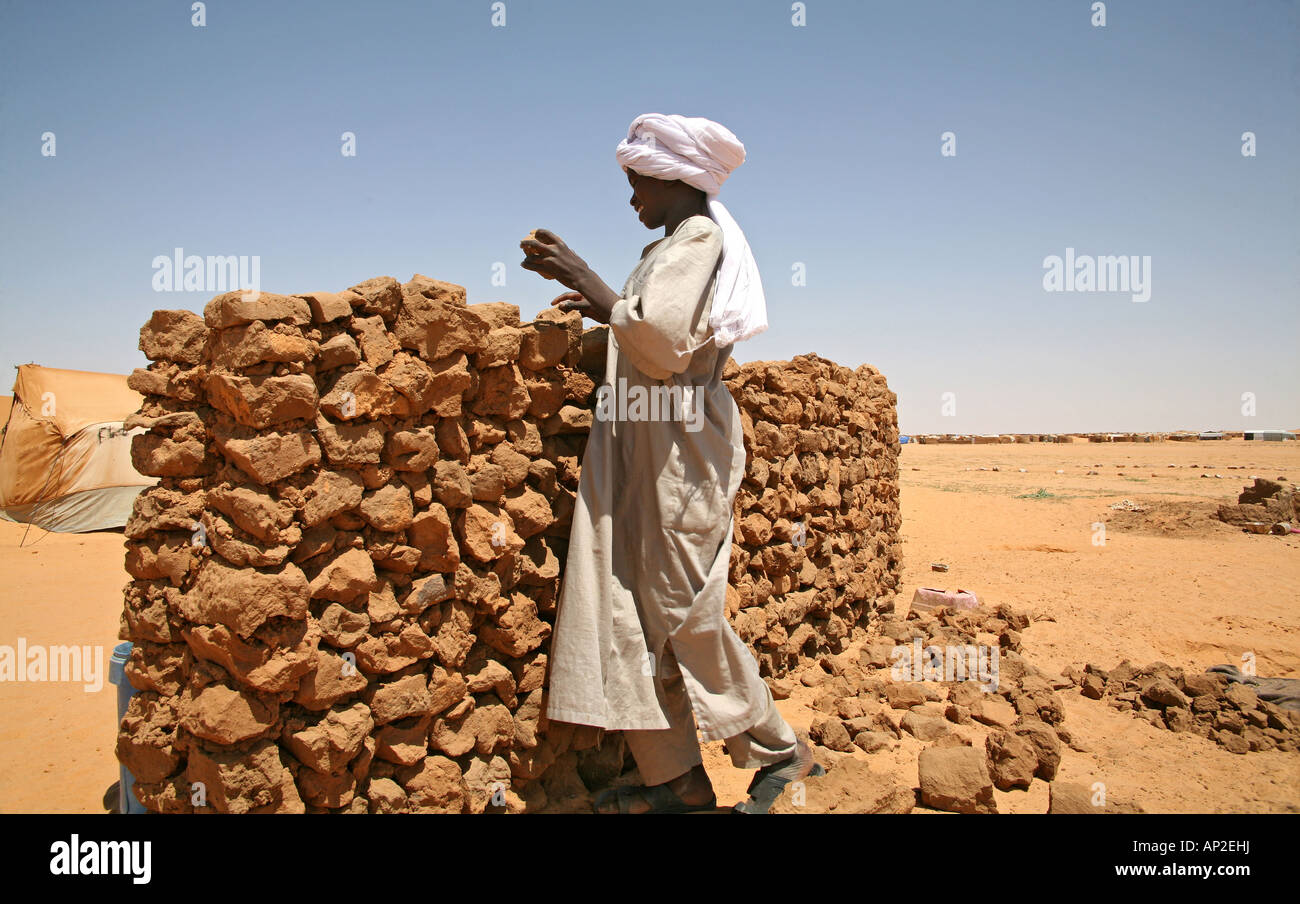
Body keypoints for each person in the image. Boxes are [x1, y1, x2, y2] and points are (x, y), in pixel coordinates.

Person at [520, 113, 820, 814]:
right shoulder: (669, 247)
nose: (632, 199)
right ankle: (678, 783)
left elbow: (661, 343)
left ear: (673, 178)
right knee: (633, 612)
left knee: (685, 612)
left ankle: (780, 750)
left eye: (637, 184)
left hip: (680, 451)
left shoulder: (700, 239)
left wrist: (592, 284)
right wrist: (598, 321)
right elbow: (645, 336)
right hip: (641, 446)